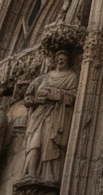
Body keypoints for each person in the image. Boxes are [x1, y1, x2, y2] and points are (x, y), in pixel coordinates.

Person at [22, 50, 79, 181]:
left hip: (57, 115)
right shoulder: (43, 78)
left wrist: (56, 94)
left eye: (63, 59)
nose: (60, 61)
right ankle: (30, 173)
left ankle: (49, 176)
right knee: (34, 143)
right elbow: (27, 98)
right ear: (54, 61)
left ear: (68, 61)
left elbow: (75, 97)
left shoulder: (72, 77)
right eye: (58, 59)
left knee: (50, 144)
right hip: (39, 115)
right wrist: (36, 100)